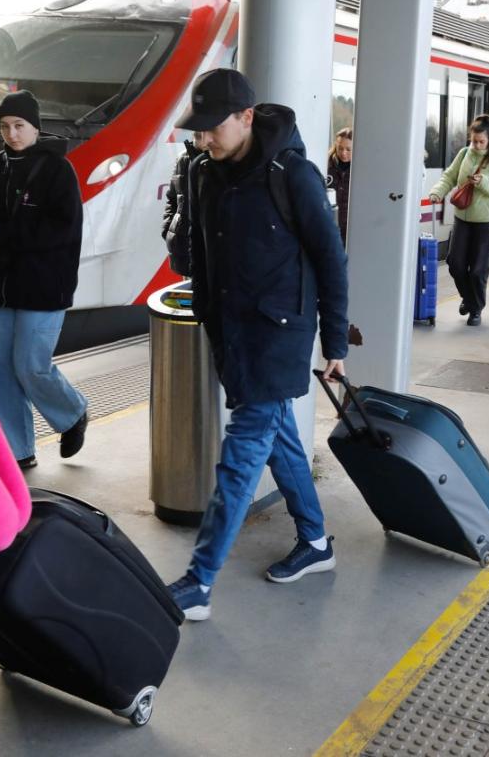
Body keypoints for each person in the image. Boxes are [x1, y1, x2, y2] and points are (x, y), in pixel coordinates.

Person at [164, 69, 348, 622]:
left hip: (279, 334)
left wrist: (334, 338)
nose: (202, 139)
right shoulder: (201, 172)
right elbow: (192, 249)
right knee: (279, 438)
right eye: (196, 130)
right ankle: (316, 542)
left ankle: (199, 582)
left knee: (241, 454)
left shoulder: (293, 175)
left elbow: (330, 260)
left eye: (211, 128)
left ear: (246, 118)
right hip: (230, 328)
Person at [0, 90, 88, 471]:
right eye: (5, 126)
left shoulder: (57, 170)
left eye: (19, 126)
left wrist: (6, 233)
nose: (12, 134)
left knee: (31, 365)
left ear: (36, 127)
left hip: (43, 287)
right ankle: (17, 450)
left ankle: (72, 414)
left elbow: (64, 229)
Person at [428, 115, 489, 325]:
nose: (475, 145)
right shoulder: (464, 153)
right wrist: (437, 192)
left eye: (480, 142)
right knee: (455, 263)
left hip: (488, 222)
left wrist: (483, 181)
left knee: (477, 270)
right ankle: (468, 298)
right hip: (463, 217)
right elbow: (449, 176)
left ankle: (476, 309)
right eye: (472, 140)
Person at [163, 130, 209, 275]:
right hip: (184, 248)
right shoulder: (183, 158)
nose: (199, 132)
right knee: (189, 294)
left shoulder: (224, 159)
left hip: (213, 253)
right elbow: (172, 198)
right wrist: (169, 229)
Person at [327, 127, 352, 245]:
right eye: (340, 148)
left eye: (348, 149)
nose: (343, 153)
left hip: (351, 230)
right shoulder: (326, 166)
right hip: (328, 227)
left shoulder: (362, 170)